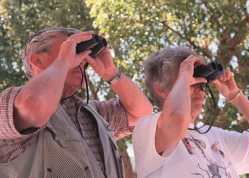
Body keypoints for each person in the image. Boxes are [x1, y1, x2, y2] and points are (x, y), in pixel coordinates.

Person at [0, 27, 153, 178]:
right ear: (37, 60)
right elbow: (35, 105)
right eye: (71, 50)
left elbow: (141, 112)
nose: (80, 60)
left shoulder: (93, 112)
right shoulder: (11, 103)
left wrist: (110, 72)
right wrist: (64, 61)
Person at [132, 46, 249, 178]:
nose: (200, 86)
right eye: (191, 79)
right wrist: (185, 74)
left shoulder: (215, 137)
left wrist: (235, 95)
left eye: (200, 79)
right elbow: (177, 121)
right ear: (162, 89)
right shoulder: (146, 129)